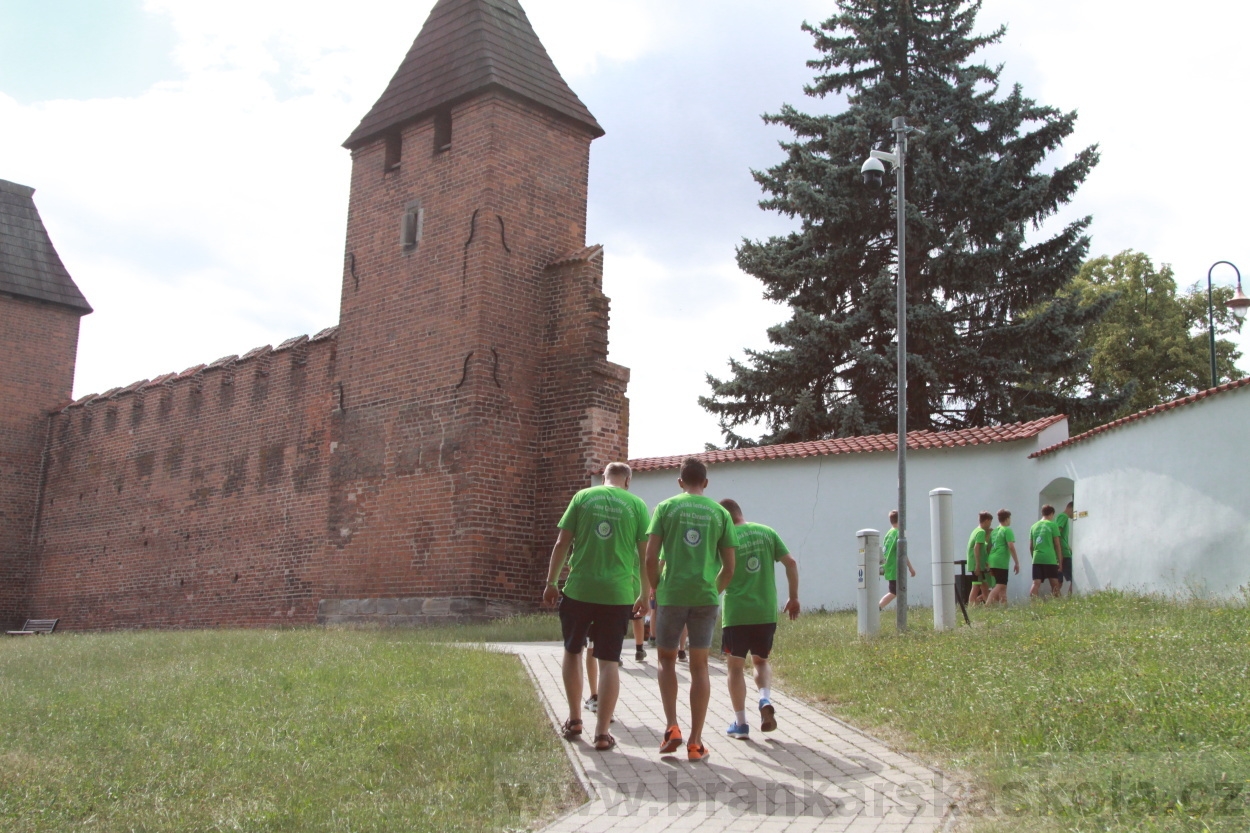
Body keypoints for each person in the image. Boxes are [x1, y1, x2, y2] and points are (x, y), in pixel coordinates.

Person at [543, 462, 650, 752]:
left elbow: (562, 542)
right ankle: (602, 733)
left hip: (579, 589)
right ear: (627, 481)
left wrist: (552, 582)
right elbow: (645, 556)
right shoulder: (637, 505)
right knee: (609, 662)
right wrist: (645, 593)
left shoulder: (582, 497)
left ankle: (575, 719)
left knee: (573, 651)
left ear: (603, 478)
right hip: (617, 594)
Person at [645, 457, 736, 762]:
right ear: (706, 483)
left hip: (672, 595)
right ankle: (696, 743)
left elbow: (650, 556)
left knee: (666, 659)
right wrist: (713, 590)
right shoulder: (720, 512)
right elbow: (729, 567)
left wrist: (656, 586)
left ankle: (672, 726)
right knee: (699, 667)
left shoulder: (666, 507)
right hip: (705, 596)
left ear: (680, 481)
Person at [718, 499, 800, 740]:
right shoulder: (767, 532)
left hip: (737, 613)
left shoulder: (725, 538)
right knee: (760, 661)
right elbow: (791, 563)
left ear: (724, 518)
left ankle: (741, 724)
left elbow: (723, 571)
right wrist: (793, 597)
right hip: (764, 612)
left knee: (734, 667)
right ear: (740, 513)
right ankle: (764, 698)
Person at [878, 510, 915, 610]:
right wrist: (911, 568)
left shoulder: (888, 533)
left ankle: (882, 607)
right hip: (895, 566)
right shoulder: (899, 534)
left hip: (888, 565)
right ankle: (878, 607)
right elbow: (902, 553)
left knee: (895, 590)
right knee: (895, 591)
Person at [1028, 504, 1064, 599]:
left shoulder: (1033, 526)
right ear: (1052, 514)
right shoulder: (1053, 525)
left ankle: (1032, 605)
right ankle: (1057, 603)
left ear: (1042, 513)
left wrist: (1034, 557)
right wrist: (1060, 562)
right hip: (1049, 557)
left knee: (1036, 583)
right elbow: (1057, 545)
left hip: (1037, 557)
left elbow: (1031, 546)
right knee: (1054, 583)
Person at [985, 509, 1019, 606]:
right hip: (1000, 561)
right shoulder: (1007, 530)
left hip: (992, 559)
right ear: (1007, 519)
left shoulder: (994, 531)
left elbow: (989, 546)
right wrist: (1016, 562)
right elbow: (1011, 546)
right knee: (1001, 584)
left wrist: (988, 561)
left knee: (1002, 585)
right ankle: (987, 604)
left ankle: (1004, 606)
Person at [966, 512, 993, 606]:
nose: (990, 525)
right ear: (986, 521)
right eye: (990, 522)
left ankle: (989, 606)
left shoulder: (976, 530)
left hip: (979, 564)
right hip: (976, 564)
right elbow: (976, 548)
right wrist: (977, 565)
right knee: (976, 586)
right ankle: (970, 606)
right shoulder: (981, 532)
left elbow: (983, 547)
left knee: (985, 586)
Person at [1055, 501, 1075, 597]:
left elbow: (1062, 538)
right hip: (1063, 554)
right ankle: (1070, 600)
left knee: (1059, 581)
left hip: (1064, 551)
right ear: (1071, 508)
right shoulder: (1063, 517)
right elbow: (1057, 534)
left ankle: (1055, 602)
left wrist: (1069, 549)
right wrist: (1060, 553)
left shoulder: (1063, 517)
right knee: (1073, 580)